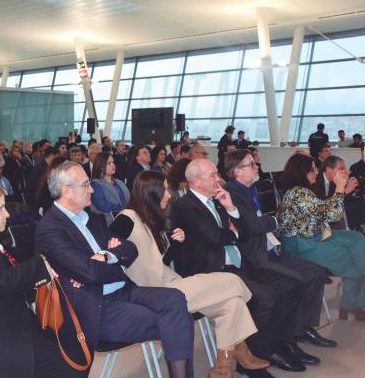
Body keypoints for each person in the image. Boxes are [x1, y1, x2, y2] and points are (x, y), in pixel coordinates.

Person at [36, 161, 195, 378]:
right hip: (93, 306)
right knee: (175, 320)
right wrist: (110, 262)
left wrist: (106, 257)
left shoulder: (92, 218)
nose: (92, 189)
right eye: (86, 185)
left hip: (122, 290)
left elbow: (130, 250)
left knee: (175, 300)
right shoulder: (50, 228)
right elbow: (90, 272)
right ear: (67, 191)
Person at [111, 170, 268, 378]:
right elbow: (108, 242)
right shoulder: (128, 217)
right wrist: (111, 249)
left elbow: (160, 263)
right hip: (157, 294)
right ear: (152, 192)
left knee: (233, 304)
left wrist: (175, 244)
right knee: (233, 282)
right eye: (165, 189)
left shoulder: (151, 220)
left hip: (172, 284)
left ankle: (223, 370)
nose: (168, 194)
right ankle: (242, 350)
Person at [172, 159, 309, 376]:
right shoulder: (185, 206)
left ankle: (277, 343)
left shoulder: (217, 199)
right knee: (265, 298)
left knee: (289, 285)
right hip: (211, 272)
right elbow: (215, 237)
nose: (218, 179)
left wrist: (231, 208)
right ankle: (259, 352)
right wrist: (233, 232)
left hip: (237, 263)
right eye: (213, 175)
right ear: (197, 181)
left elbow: (243, 231)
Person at [0, 180, 84, 378]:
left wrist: (52, 267)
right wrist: (38, 264)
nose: (7, 214)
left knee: (72, 353)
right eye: (0, 209)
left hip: (8, 323)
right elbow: (3, 281)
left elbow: (20, 267)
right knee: (68, 361)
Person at [224, 151, 337, 352]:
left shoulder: (249, 190)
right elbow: (252, 226)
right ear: (236, 171)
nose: (257, 165)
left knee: (315, 273)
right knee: (295, 281)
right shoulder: (232, 193)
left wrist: (268, 222)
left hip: (271, 247)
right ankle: (286, 338)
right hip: (256, 257)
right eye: (251, 164)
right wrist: (273, 221)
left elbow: (258, 223)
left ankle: (301, 328)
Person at [277, 153, 365, 321]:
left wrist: (340, 190)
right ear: (301, 172)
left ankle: (354, 299)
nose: (316, 172)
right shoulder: (298, 193)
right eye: (313, 169)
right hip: (301, 244)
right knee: (351, 262)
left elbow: (325, 213)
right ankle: (351, 304)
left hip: (316, 234)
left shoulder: (302, 191)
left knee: (357, 239)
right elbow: (333, 215)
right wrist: (340, 188)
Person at [89, 153, 130, 225]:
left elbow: (129, 199)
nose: (113, 165)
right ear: (101, 167)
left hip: (126, 218)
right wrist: (124, 209)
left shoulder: (119, 182)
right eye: (109, 163)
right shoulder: (95, 184)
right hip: (108, 222)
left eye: (113, 162)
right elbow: (103, 206)